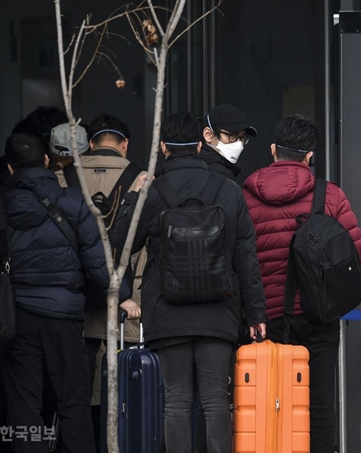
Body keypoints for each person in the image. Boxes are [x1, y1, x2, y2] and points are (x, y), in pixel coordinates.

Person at [112, 111, 267, 453]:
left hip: (167, 312)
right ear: (199, 146)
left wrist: (134, 197)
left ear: (164, 148)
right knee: (215, 399)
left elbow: (122, 244)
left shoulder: (154, 192)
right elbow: (246, 257)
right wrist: (256, 314)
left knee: (177, 401)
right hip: (219, 309)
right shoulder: (228, 191)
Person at [0, 133, 136, 453]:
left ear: (11, 169)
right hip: (65, 315)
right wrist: (122, 293)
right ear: (45, 161)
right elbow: (98, 263)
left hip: (17, 318)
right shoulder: (73, 201)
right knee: (74, 402)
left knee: (24, 407)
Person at [243, 114, 361, 453]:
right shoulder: (330, 196)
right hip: (318, 315)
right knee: (319, 400)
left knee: (265, 399)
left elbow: (237, 258)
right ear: (310, 155)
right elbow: (355, 255)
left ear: (272, 150)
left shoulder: (246, 196)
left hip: (264, 319)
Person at [200, 104, 257, 180]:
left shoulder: (189, 163)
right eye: (232, 135)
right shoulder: (220, 174)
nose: (239, 144)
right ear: (208, 135)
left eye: (242, 138)